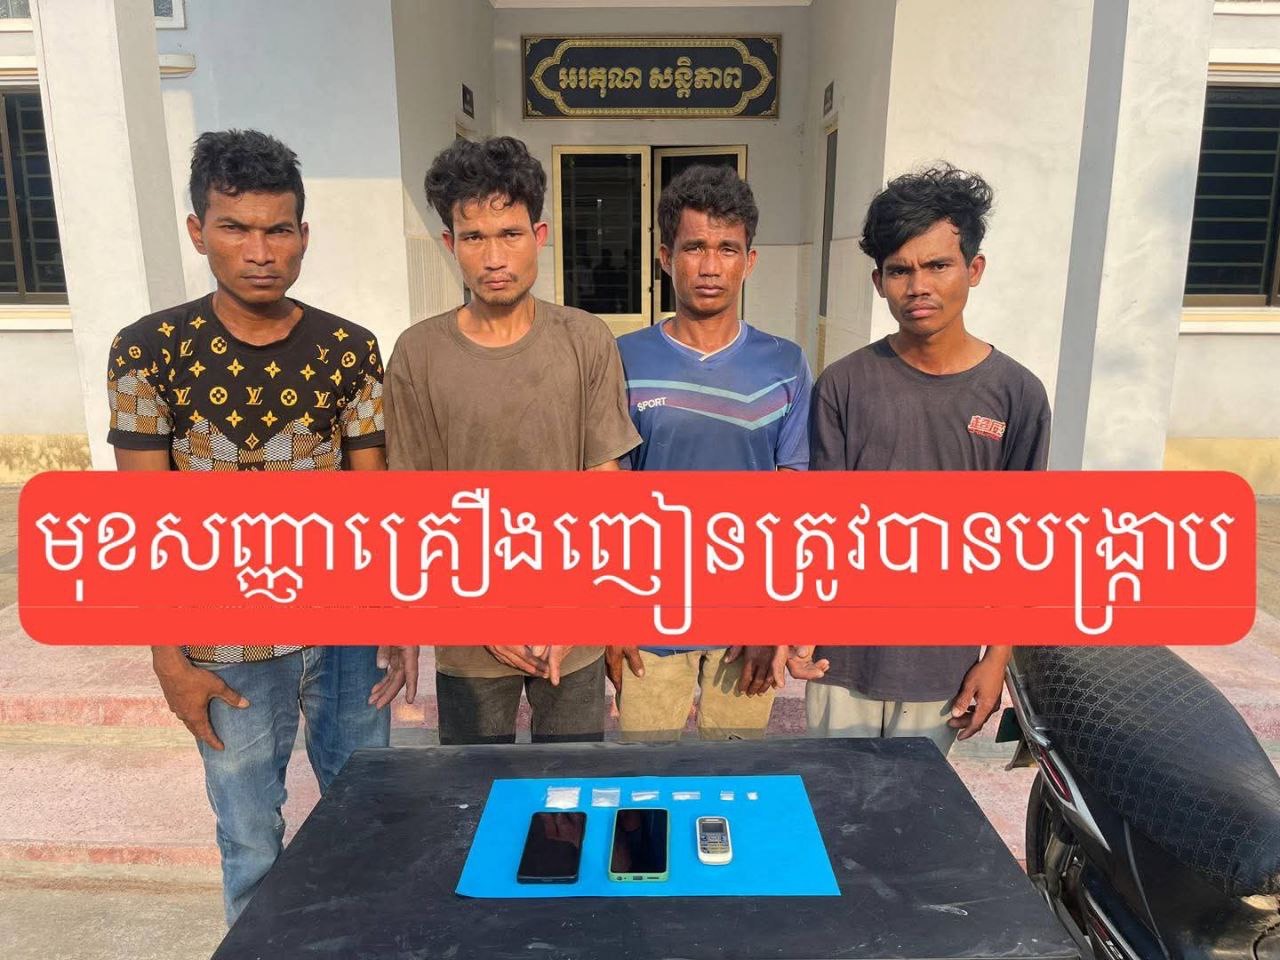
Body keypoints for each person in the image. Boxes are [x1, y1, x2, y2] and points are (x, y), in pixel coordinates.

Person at [106, 130, 415, 923]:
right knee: (249, 837)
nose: (259, 251)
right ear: (197, 231)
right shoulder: (148, 352)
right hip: (226, 643)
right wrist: (169, 658)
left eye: (278, 229)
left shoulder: (349, 349)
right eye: (235, 228)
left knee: (365, 813)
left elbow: (371, 499)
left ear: (303, 235)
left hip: (346, 634)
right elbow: (146, 522)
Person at [383, 136, 640, 745]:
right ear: (450, 244)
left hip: (572, 628)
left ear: (540, 235)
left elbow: (605, 490)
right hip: (469, 633)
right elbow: (414, 504)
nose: (494, 257)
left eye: (511, 234)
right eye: (474, 237)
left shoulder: (585, 339)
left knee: (571, 784)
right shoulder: (418, 353)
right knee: (476, 789)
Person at [804, 164, 1051, 755]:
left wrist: (996, 658)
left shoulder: (1017, 395)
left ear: (974, 269)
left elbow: (1019, 540)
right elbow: (818, 526)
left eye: (938, 265)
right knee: (835, 803)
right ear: (878, 281)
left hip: (942, 664)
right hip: (843, 662)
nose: (918, 286)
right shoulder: (843, 385)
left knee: (915, 808)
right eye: (900, 270)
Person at [608, 165, 826, 741]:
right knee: (646, 777)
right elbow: (607, 501)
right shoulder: (623, 359)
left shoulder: (785, 363)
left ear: (749, 260)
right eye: (694, 248)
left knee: (735, 774)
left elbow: (793, 501)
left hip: (745, 625)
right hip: (650, 619)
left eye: (727, 249)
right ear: (665, 257)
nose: (710, 267)